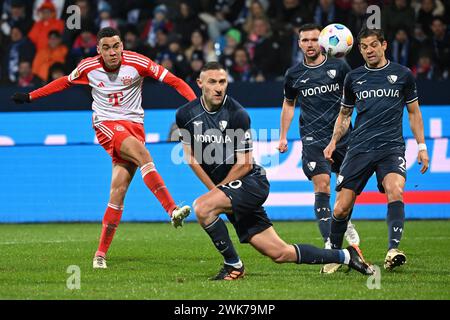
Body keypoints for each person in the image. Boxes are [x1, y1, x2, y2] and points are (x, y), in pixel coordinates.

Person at [11, 27, 196, 269]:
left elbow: (174, 81)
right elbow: (63, 83)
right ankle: (171, 209)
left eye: (116, 46)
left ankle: (100, 254)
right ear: (99, 50)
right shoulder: (89, 67)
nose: (112, 52)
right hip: (107, 126)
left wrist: (195, 106)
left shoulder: (138, 62)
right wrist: (31, 96)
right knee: (143, 155)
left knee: (117, 192)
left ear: (122, 46)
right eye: (106, 47)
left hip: (134, 128)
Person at [175, 61, 374, 280]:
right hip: (229, 191)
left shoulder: (237, 114)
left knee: (202, 207)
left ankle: (233, 266)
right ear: (199, 83)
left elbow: (245, 164)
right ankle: (346, 255)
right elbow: (191, 157)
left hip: (251, 183)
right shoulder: (185, 114)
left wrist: (216, 193)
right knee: (280, 253)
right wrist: (217, 191)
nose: (218, 87)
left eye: (222, 82)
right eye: (212, 82)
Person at [323, 28, 429, 272]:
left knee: (396, 189)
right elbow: (345, 115)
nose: (369, 50)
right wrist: (332, 142)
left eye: (373, 45)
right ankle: (336, 256)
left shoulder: (403, 75)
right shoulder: (353, 78)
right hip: (359, 148)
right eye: (364, 47)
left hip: (391, 147)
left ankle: (393, 250)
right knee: (341, 207)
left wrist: (421, 146)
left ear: (384, 45)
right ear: (359, 49)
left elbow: (414, 113)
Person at [278, 23, 360, 274]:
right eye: (305, 40)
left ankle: (342, 221)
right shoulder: (294, 74)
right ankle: (330, 247)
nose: (310, 44)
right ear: (299, 43)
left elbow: (351, 101)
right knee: (322, 184)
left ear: (322, 42)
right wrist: (283, 136)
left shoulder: (339, 67)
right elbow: (289, 105)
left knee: (346, 191)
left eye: (314, 39)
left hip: (343, 136)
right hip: (313, 138)